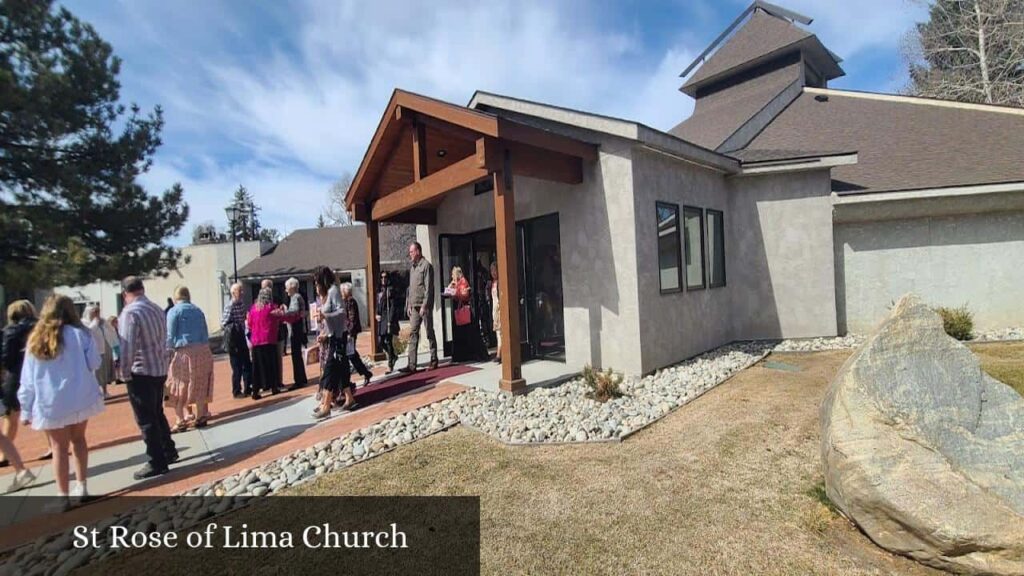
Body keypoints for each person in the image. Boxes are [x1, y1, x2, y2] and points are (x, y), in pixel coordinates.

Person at [19, 295, 105, 507]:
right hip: (79, 396)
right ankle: (82, 486)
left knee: (58, 448)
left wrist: (26, 409)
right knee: (79, 440)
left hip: (50, 402)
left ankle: (63, 496)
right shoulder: (80, 334)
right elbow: (95, 362)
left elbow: (28, 379)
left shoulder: (36, 340)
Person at [118, 276, 178, 480]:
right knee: (157, 412)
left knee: (146, 418)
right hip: (158, 367)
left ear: (125, 293)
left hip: (141, 370)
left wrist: (124, 373)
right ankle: (168, 449)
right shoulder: (155, 308)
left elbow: (127, 346)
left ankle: (156, 460)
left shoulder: (130, 313)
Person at [165, 286, 215, 432]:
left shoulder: (174, 311)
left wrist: (167, 353)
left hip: (184, 351)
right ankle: (200, 415)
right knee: (199, 382)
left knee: (178, 383)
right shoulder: (198, 310)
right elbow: (205, 332)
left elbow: (170, 335)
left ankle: (180, 419)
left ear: (175, 298)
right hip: (203, 349)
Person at [0, 300, 38, 491]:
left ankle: (21, 471)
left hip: (15, 376)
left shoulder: (11, 331)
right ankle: (21, 470)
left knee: (9, 421)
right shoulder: (41, 326)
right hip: (37, 375)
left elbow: (5, 358)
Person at [311, 265, 355, 418]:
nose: (315, 284)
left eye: (317, 281)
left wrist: (325, 315)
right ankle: (349, 398)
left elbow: (342, 312)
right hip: (332, 335)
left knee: (329, 369)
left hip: (338, 336)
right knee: (341, 369)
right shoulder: (328, 293)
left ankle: (326, 405)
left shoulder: (333, 291)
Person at [247, 287, 290, 399]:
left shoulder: (253, 309)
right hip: (269, 340)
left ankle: (255, 391)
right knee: (271, 365)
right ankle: (274, 387)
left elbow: (250, 324)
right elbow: (281, 316)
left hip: (256, 341)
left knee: (256, 368)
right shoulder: (271, 308)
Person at [403, 242, 438, 373]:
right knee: (413, 333)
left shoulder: (426, 266)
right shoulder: (412, 268)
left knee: (429, 332)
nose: (410, 254)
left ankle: (434, 359)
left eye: (412, 252)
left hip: (424, 306)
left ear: (418, 251)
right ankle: (411, 365)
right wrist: (409, 303)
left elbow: (429, 288)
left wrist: (425, 305)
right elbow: (411, 288)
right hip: (414, 306)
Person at [446, 266, 489, 363]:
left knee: (470, 334)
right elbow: (447, 291)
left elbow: (464, 295)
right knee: (459, 334)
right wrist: (451, 285)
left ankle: (478, 355)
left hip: (464, 309)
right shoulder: (456, 283)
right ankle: (460, 356)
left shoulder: (463, 282)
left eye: (453, 274)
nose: (452, 276)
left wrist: (455, 293)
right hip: (459, 309)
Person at [222, 282, 253, 398]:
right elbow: (224, 322)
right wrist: (234, 326)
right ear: (233, 293)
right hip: (234, 338)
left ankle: (248, 387)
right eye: (240, 291)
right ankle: (236, 390)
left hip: (242, 336)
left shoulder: (241, 304)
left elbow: (244, 318)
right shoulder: (229, 306)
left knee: (246, 363)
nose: (242, 293)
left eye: (242, 290)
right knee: (236, 366)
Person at [340, 282, 373, 387]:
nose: (341, 292)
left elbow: (352, 318)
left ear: (346, 291)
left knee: (350, 354)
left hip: (350, 332)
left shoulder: (350, 301)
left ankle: (364, 373)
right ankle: (365, 373)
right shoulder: (345, 301)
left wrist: (349, 332)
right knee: (351, 354)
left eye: (342, 290)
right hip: (347, 332)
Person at [83, 304, 117, 398]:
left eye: (98, 311)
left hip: (105, 348)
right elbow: (88, 332)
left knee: (105, 370)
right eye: (95, 312)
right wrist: (94, 323)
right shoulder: (84, 322)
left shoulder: (102, 321)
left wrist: (105, 323)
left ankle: (105, 391)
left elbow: (111, 330)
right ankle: (96, 392)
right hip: (94, 350)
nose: (97, 314)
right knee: (97, 372)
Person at [284, 277, 308, 390]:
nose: (286, 290)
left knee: (296, 355)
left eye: (287, 287)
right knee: (297, 354)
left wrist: (283, 312)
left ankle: (298, 380)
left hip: (295, 329)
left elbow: (293, 311)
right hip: (298, 329)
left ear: (292, 287)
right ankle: (302, 378)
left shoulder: (295, 297)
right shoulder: (297, 297)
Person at [375, 271, 400, 374]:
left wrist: (390, 320)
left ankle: (390, 364)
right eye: (382, 277)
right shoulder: (379, 290)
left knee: (388, 341)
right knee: (380, 341)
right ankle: (393, 356)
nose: (383, 279)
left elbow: (393, 306)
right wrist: (376, 314)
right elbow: (378, 303)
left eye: (385, 277)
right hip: (381, 318)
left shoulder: (390, 290)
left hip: (388, 317)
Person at [490, 262, 502, 364]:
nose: (493, 272)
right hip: (494, 309)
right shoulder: (493, 283)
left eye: (495, 270)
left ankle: (499, 354)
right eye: (491, 270)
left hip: (499, 309)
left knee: (500, 333)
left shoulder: (500, 282)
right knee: (497, 332)